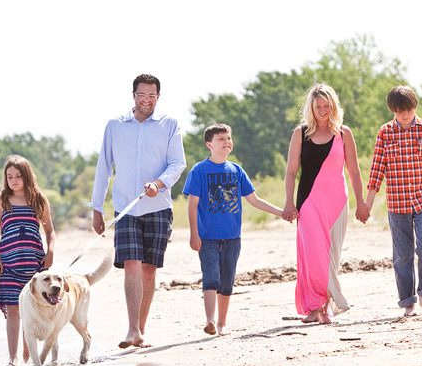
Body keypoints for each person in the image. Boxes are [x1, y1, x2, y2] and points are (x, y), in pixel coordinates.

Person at [91, 74, 186, 348]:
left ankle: (140, 328)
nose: (147, 100)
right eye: (142, 95)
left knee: (148, 270)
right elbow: (103, 167)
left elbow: (177, 163)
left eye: (152, 96)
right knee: (130, 265)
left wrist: (159, 183)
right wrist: (96, 207)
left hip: (158, 206)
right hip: (125, 208)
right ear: (133, 95)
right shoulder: (115, 126)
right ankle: (132, 329)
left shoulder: (169, 125)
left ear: (158, 97)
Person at [183, 123, 286, 336]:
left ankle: (221, 324)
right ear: (209, 144)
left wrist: (281, 212)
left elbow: (254, 200)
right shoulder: (199, 170)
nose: (227, 142)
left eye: (229, 138)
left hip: (232, 236)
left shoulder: (236, 170)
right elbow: (192, 204)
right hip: (207, 237)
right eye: (221, 139)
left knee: (227, 279)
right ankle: (209, 320)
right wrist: (194, 233)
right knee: (210, 276)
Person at [283, 83, 369, 324]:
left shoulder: (344, 134)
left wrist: (361, 202)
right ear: (311, 107)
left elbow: (354, 171)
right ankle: (320, 305)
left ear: (333, 106)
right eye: (318, 106)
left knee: (332, 257)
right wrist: (289, 202)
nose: (322, 110)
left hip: (337, 203)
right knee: (313, 255)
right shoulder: (301, 133)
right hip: (309, 202)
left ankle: (324, 307)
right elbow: (291, 171)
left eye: (326, 105)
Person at [363, 85, 422, 317]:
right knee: (402, 254)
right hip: (398, 203)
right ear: (393, 110)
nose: (405, 115)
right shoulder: (385, 133)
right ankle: (408, 302)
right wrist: (367, 205)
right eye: (400, 111)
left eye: (409, 110)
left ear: (415, 107)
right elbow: (376, 171)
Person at [0, 155, 55, 366]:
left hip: (34, 265)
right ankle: (12, 358)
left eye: (18, 176)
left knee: (31, 309)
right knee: (13, 309)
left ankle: (29, 349)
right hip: (8, 264)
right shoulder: (1, 200)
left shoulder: (38, 199)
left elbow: (50, 231)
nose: (14, 180)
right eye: (9, 177)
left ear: (26, 176)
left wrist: (50, 251)